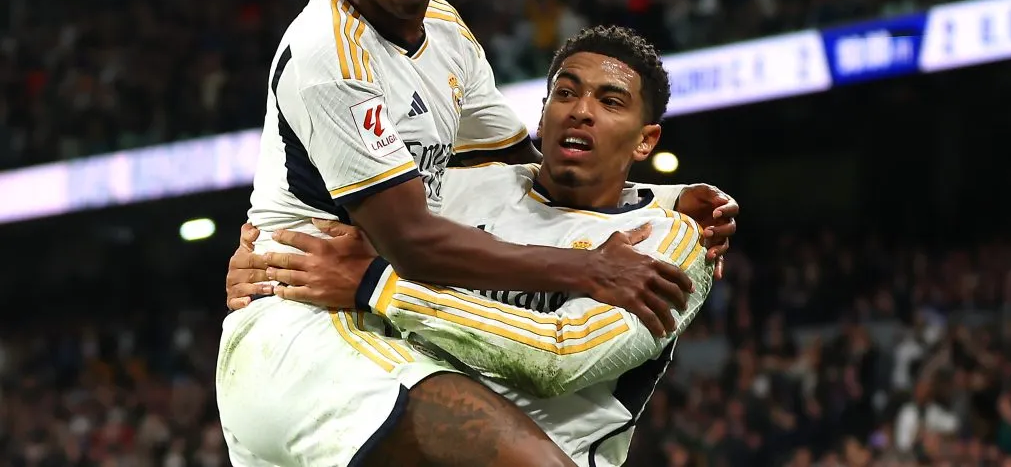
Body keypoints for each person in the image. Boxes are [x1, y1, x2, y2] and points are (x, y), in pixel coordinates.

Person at [219, 0, 739, 467]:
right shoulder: (331, 57)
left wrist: (668, 199)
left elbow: (516, 168)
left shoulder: (668, 239)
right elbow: (410, 241)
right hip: (308, 336)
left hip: (361, 333)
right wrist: (588, 267)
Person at [222, 26, 717, 467]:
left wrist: (379, 286)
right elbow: (333, 250)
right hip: (406, 437)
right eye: (565, 93)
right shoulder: (455, 190)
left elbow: (563, 354)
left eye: (610, 102)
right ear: (542, 118)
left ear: (645, 141)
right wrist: (262, 263)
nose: (581, 111)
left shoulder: (669, 241)